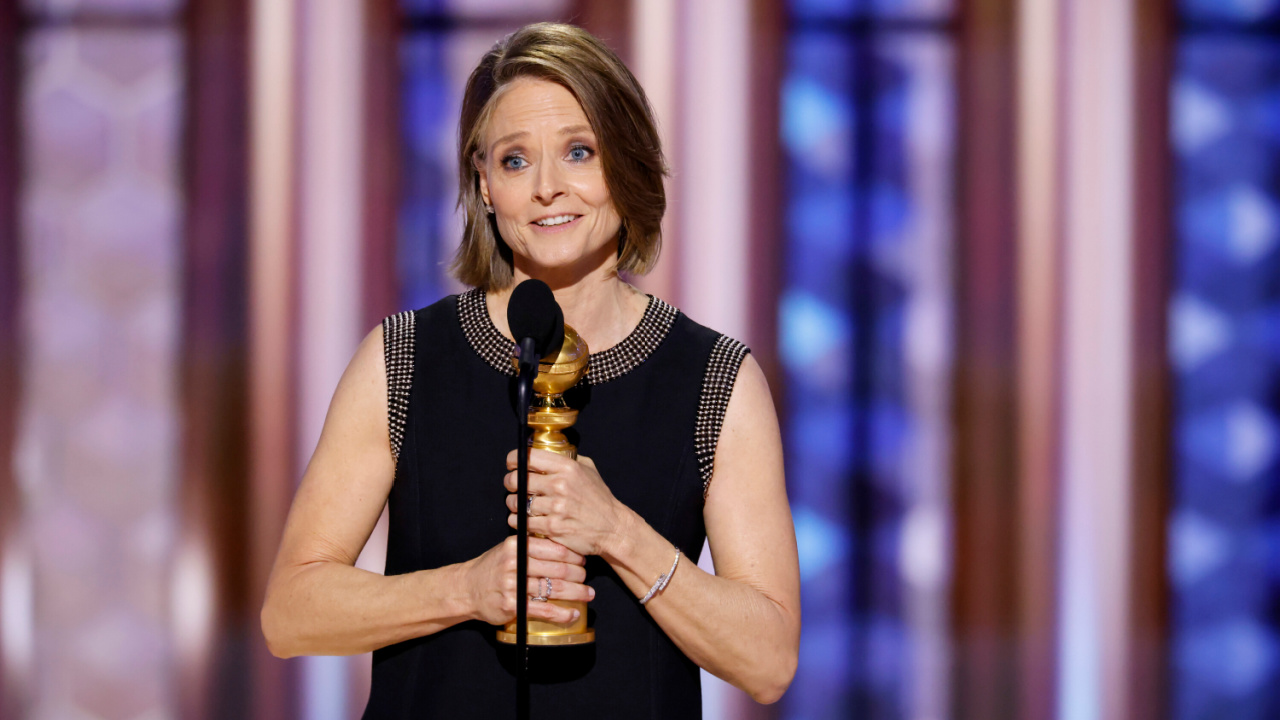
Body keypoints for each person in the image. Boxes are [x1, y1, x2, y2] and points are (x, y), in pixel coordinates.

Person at [260, 22, 799, 718]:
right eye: (515, 161)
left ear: (626, 164)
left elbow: (769, 660)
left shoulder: (716, 380)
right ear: (483, 185)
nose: (548, 188)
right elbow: (291, 613)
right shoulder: (403, 358)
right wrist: (470, 590)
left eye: (579, 151)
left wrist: (615, 531)